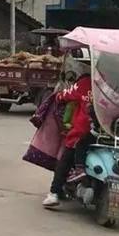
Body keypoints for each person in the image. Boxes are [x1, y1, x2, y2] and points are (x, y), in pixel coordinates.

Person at [42, 69, 92, 208]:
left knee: (65, 159)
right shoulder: (111, 85)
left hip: (83, 131)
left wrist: (58, 96)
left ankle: (54, 193)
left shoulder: (85, 82)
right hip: (110, 132)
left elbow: (65, 95)